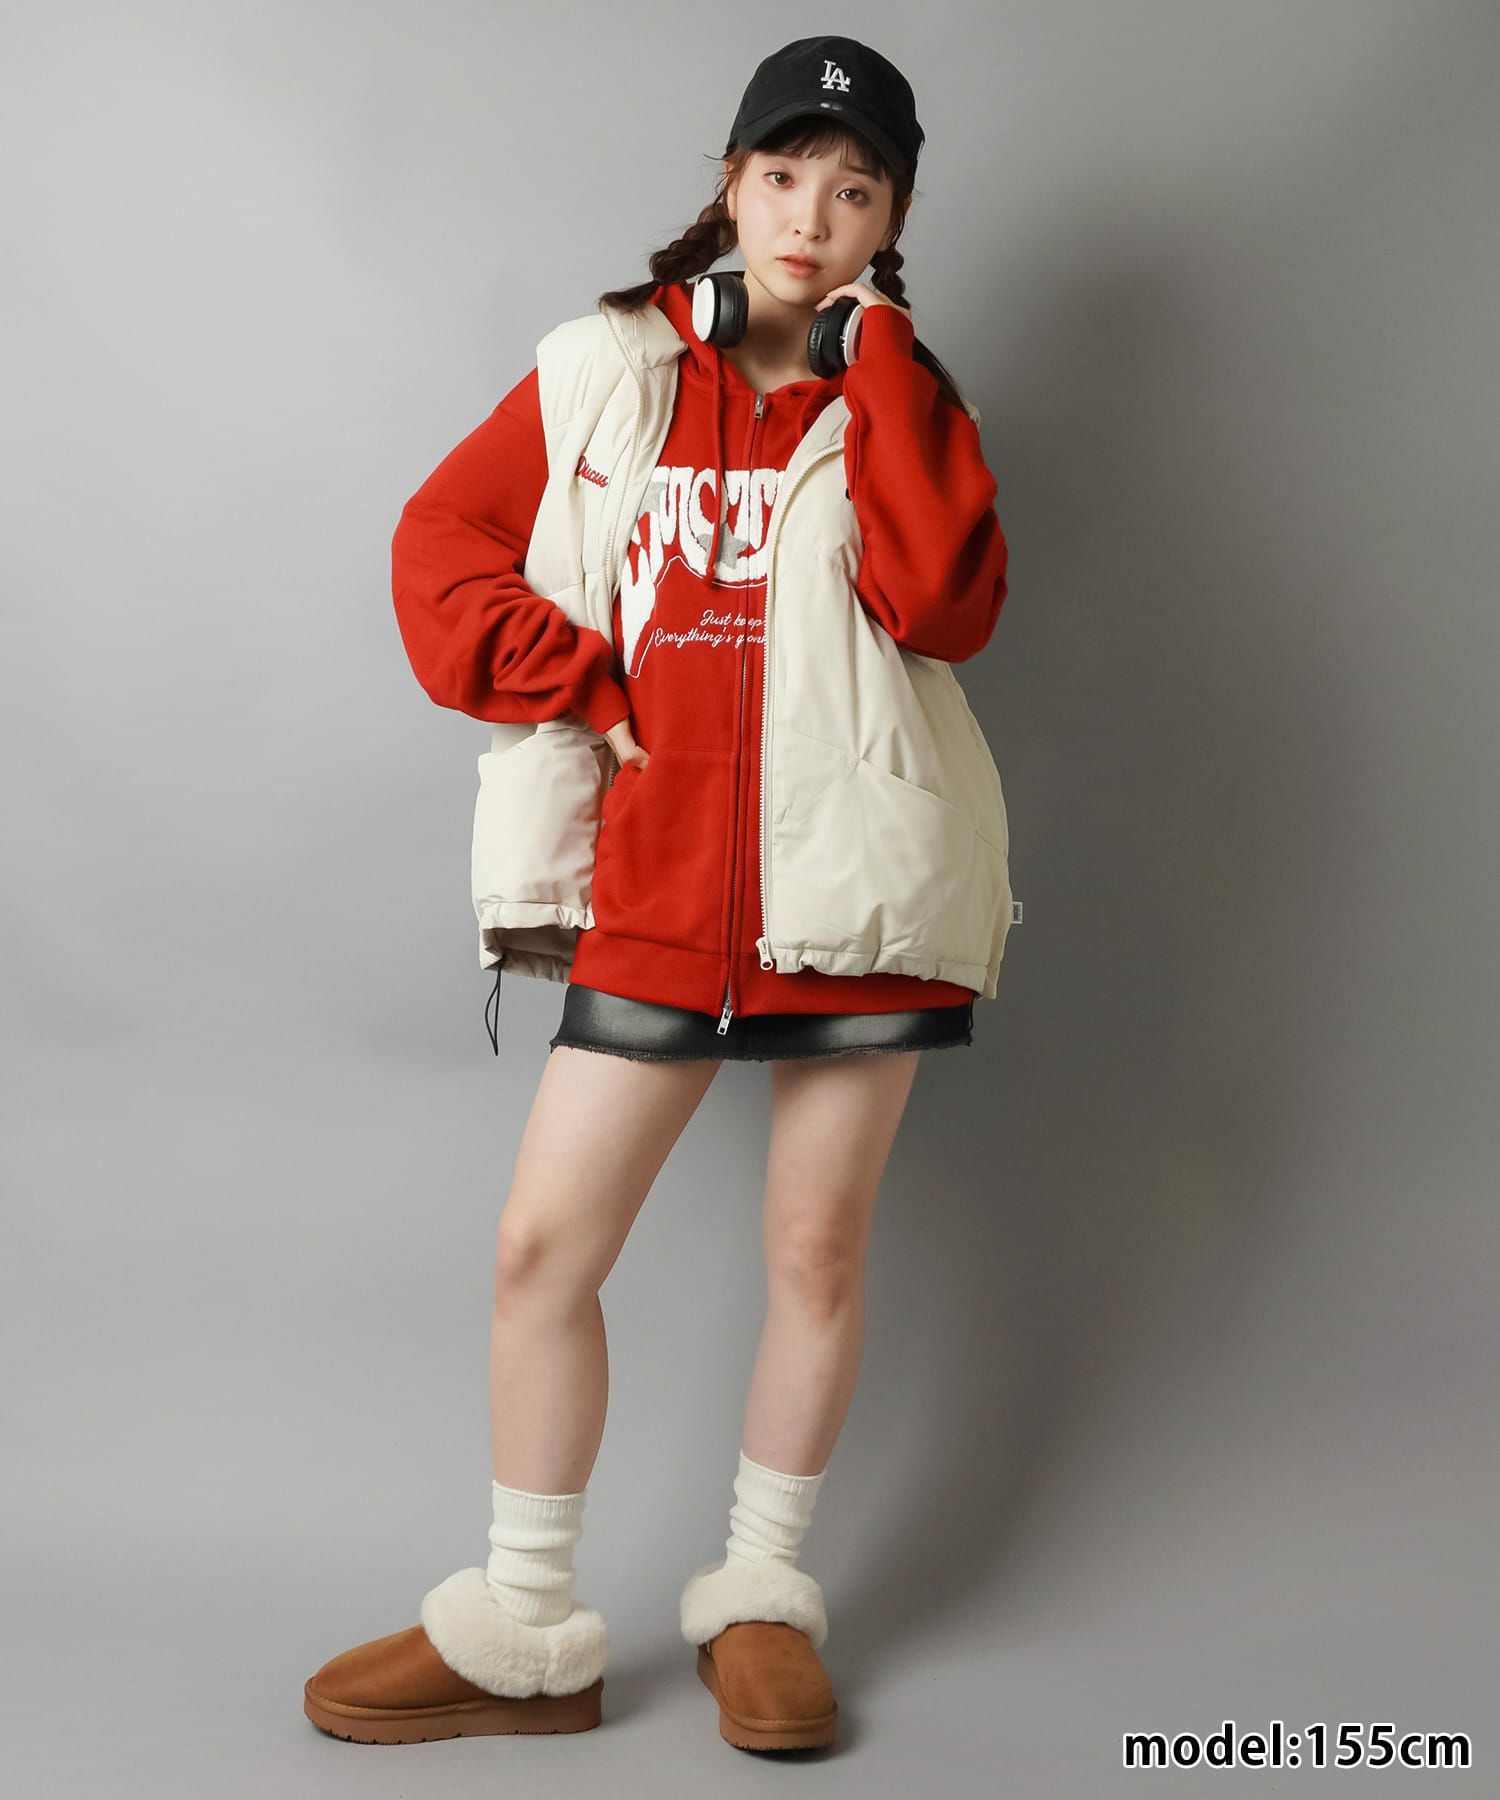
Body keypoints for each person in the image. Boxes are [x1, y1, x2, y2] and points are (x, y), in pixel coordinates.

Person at [303, 34, 1012, 1755]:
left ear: (891, 219)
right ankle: (524, 1626)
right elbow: (438, 545)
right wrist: (580, 679)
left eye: (855, 191)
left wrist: (882, 359)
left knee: (815, 1248)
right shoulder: (608, 368)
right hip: (658, 880)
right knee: (543, 1247)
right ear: (731, 183)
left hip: (859, 884)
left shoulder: (900, 393)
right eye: (784, 177)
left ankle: (760, 1597)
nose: (812, 217)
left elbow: (946, 605)